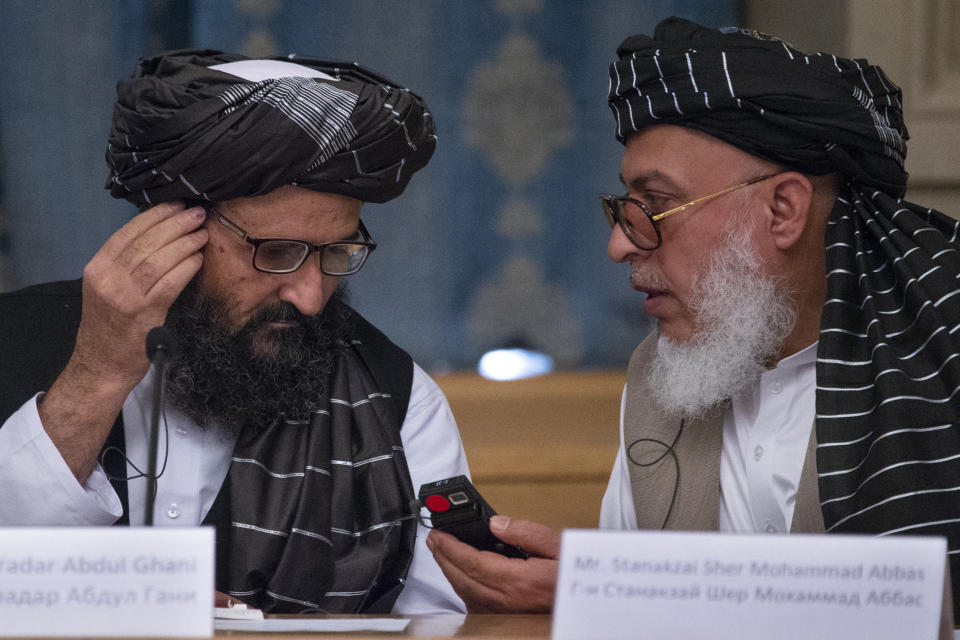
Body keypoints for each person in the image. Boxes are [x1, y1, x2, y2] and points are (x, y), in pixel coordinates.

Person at [426, 17, 960, 619]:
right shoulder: (666, 374)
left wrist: (616, 588)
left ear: (783, 209)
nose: (621, 246)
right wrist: (596, 586)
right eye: (625, 208)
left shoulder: (942, 367)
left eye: (655, 207)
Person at [0, 50, 469, 615]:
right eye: (277, 252)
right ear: (172, 225)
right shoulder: (12, 339)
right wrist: (97, 374)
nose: (311, 297)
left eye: (338, 252)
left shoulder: (394, 397)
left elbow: (438, 623)